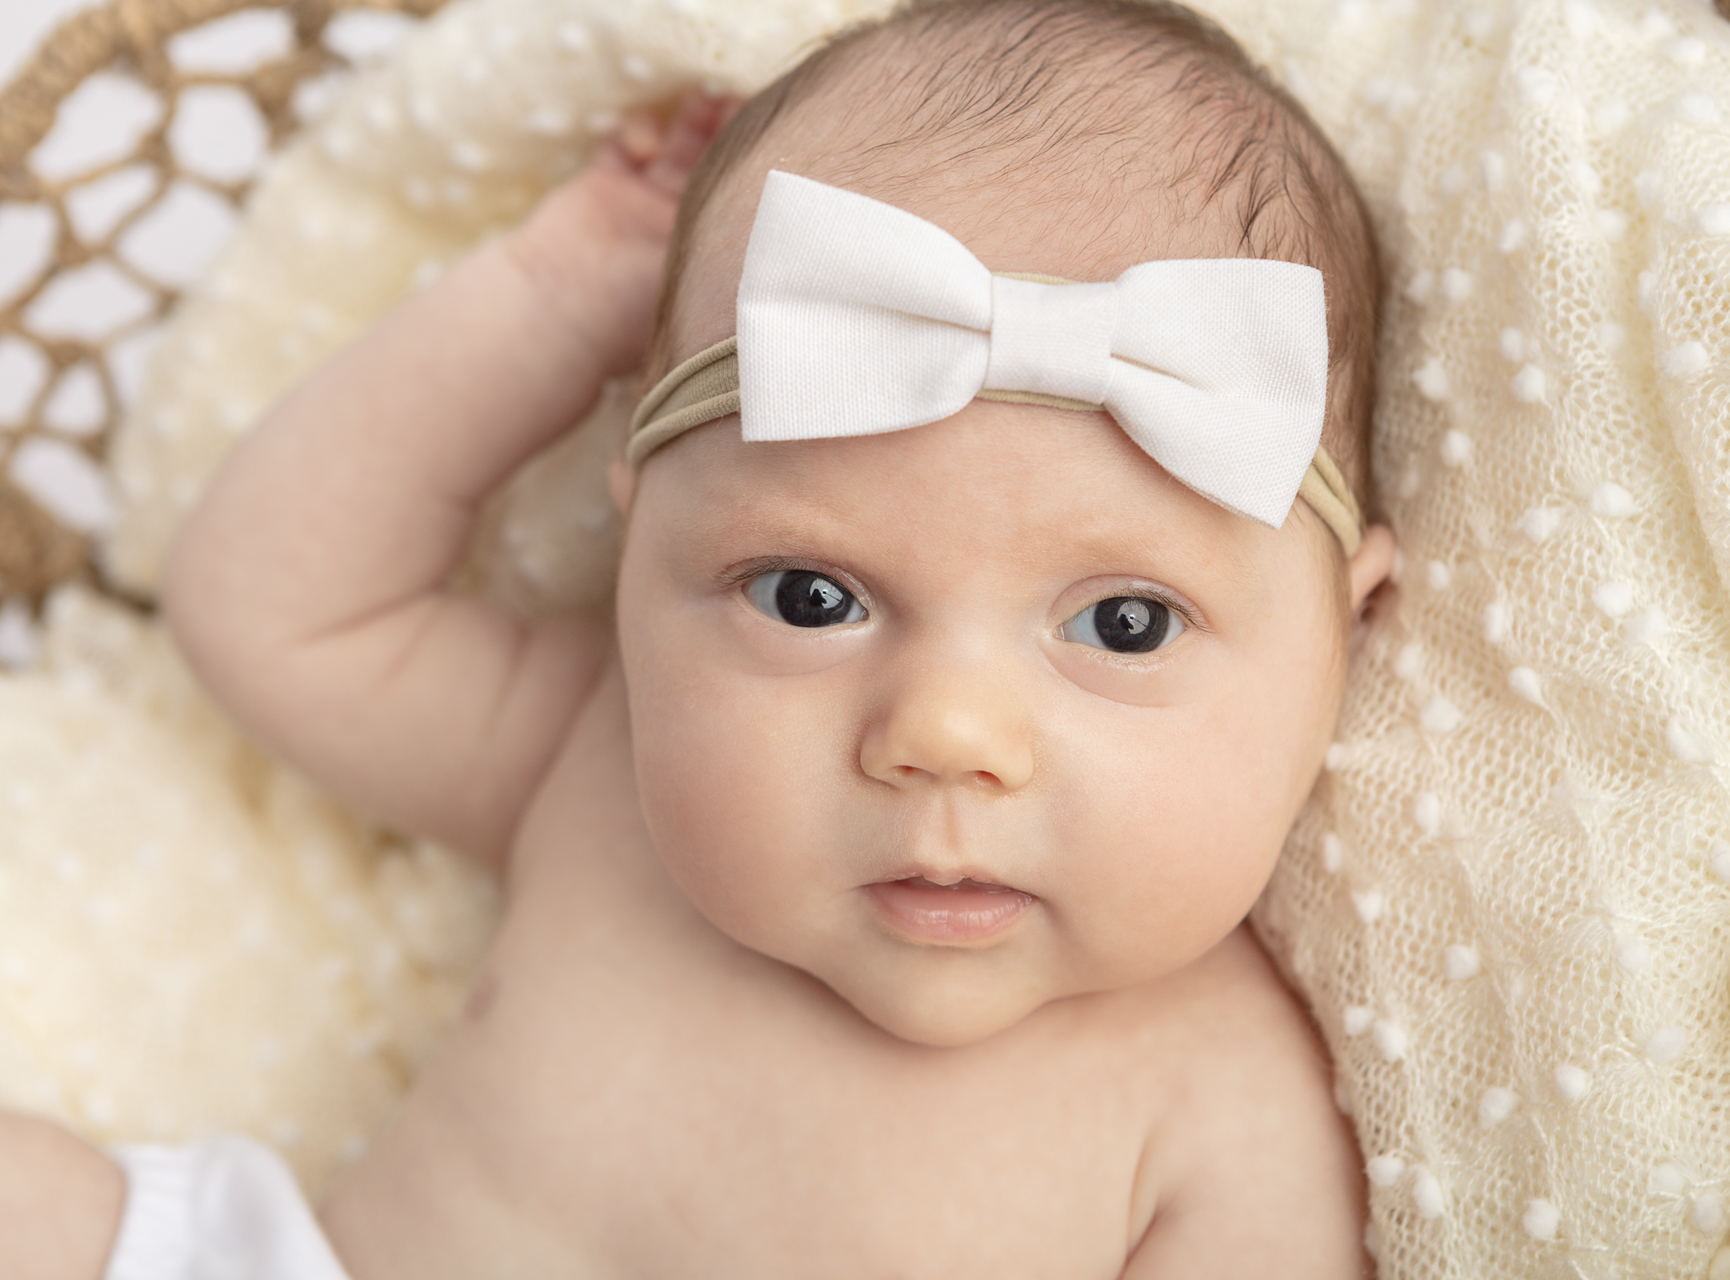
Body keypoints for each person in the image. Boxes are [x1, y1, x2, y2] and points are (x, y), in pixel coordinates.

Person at [0, 0, 1397, 1274]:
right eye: (810, 598)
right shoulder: (607, 771)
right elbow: (274, 609)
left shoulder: (1226, 1112)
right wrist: (554, 296)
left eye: (1125, 623)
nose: (946, 734)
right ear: (635, 558)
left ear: (1343, 636)